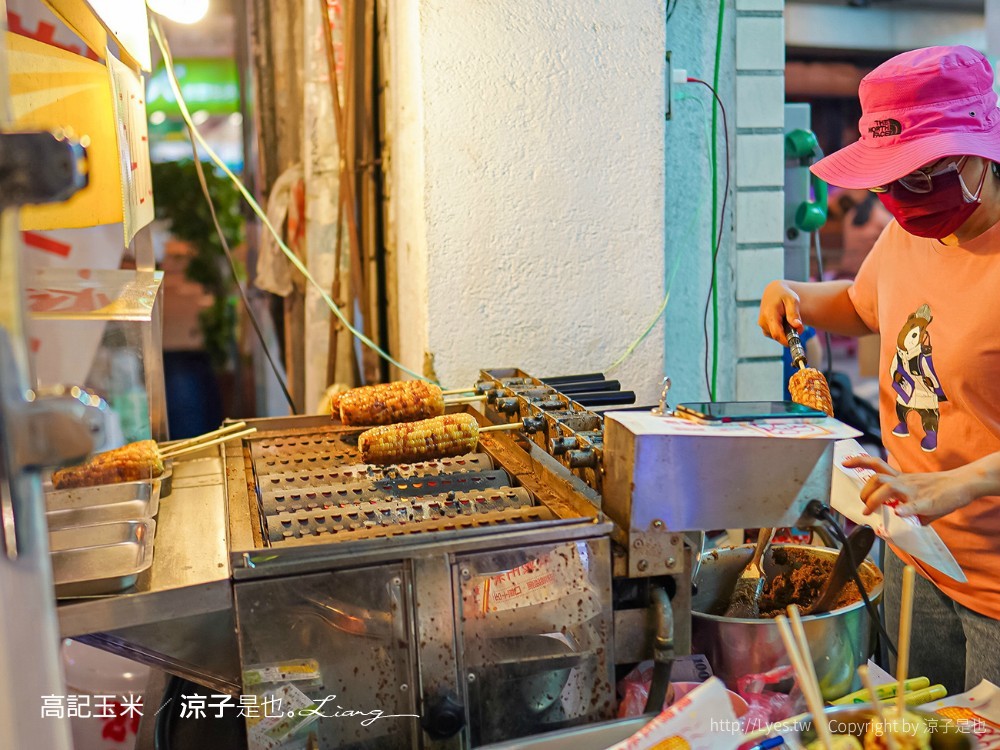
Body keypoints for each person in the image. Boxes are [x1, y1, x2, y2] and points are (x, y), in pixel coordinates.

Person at [757, 45, 1000, 694]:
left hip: (997, 582)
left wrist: (956, 484)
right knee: (911, 725)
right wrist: (798, 293)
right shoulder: (908, 234)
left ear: (980, 152)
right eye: (889, 183)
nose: (902, 199)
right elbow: (866, 306)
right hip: (914, 553)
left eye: (920, 176)